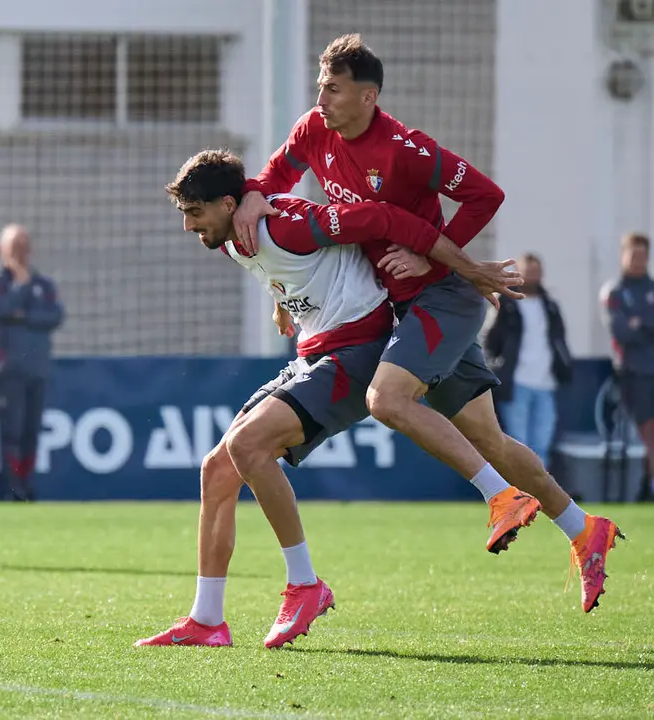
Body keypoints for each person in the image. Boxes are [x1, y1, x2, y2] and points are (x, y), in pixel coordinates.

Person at [231, 34, 621, 612]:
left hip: (444, 297)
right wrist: (251, 201)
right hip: (406, 309)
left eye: (333, 89)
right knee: (487, 437)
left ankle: (500, 498)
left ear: (369, 96)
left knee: (386, 401)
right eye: (319, 86)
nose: (321, 99)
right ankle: (586, 531)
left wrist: (432, 255)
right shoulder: (315, 129)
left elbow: (487, 195)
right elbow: (273, 180)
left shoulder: (406, 150)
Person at [137, 150, 519, 649]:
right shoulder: (233, 237)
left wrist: (455, 263)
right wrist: (281, 299)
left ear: (229, 203)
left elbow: (382, 218)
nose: (188, 226)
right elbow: (297, 269)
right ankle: (208, 620)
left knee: (248, 448)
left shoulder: (289, 223)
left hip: (359, 352)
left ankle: (305, 585)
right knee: (217, 469)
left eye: (194, 213)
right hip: (315, 353)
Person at [0, 224, 64, 501]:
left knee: (31, 432)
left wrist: (20, 314)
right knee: (11, 430)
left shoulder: (44, 283)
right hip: (6, 369)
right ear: (1, 249)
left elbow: (53, 317)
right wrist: (20, 287)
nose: (19, 252)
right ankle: (11, 488)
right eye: (14, 246)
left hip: (37, 368)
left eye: (23, 246)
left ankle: (27, 486)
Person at [484, 253, 573, 465]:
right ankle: (522, 494)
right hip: (517, 383)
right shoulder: (505, 302)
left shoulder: (550, 306)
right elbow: (490, 340)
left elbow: (559, 342)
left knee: (542, 443)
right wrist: (497, 368)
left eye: (537, 272)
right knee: (518, 443)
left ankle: (543, 494)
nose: (533, 277)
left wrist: (565, 367)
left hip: (545, 383)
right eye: (529, 272)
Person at [600, 232, 654, 496]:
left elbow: (639, 326)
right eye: (634, 255)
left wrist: (640, 324)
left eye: (643, 256)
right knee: (648, 433)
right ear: (623, 256)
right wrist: (644, 326)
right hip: (633, 373)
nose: (638, 261)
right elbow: (621, 332)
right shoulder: (615, 291)